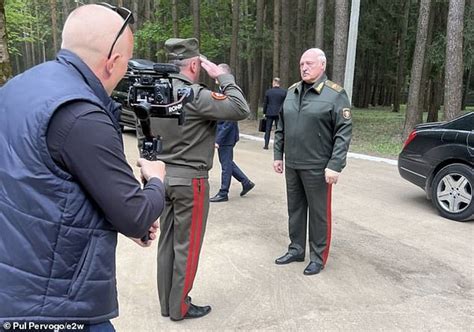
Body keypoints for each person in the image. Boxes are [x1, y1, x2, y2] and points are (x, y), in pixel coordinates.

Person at [0, 4, 166, 331]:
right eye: (126, 62)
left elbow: (44, 179)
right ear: (113, 62)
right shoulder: (83, 114)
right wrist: (156, 180)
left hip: (14, 284)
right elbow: (134, 215)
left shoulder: (16, 87)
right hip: (55, 303)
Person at [140, 38, 250, 321]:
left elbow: (144, 135)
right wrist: (222, 76)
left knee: (167, 242)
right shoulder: (194, 95)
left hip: (161, 177)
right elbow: (240, 109)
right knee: (186, 246)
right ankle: (180, 307)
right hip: (191, 181)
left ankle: (167, 303)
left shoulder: (153, 92)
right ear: (193, 64)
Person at [273, 48, 352, 276]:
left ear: (322, 65)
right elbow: (282, 126)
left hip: (319, 167)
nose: (304, 68)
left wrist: (335, 165)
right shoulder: (292, 92)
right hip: (293, 164)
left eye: (309, 63)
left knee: (319, 214)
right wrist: (278, 155)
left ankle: (318, 256)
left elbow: (343, 133)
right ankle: (296, 248)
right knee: (295, 210)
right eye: (301, 64)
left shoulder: (335, 94)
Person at [210, 63, 255, 203]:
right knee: (227, 161)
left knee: (225, 164)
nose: (215, 75)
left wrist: (218, 139)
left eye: (218, 73)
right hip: (224, 134)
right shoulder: (222, 89)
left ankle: (223, 192)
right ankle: (246, 182)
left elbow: (229, 119)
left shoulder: (229, 90)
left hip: (226, 135)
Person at [263, 77, 287, 150]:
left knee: (268, 129)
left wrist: (264, 112)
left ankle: (266, 145)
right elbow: (285, 103)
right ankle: (279, 146)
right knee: (279, 130)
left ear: (273, 82)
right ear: (279, 83)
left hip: (269, 112)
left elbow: (265, 103)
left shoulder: (268, 92)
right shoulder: (284, 92)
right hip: (279, 113)